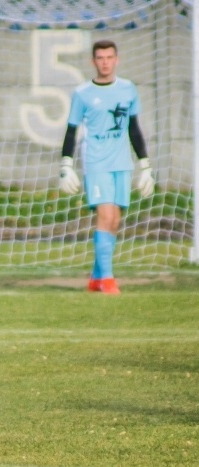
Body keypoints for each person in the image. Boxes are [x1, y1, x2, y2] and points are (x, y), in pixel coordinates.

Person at [59, 40, 154, 294]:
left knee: (114, 222)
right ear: (93, 62)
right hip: (96, 162)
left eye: (109, 57)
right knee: (106, 217)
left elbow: (133, 128)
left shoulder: (128, 89)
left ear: (116, 59)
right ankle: (108, 280)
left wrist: (145, 166)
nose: (105, 62)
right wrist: (66, 165)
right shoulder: (82, 93)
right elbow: (71, 130)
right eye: (100, 58)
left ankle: (95, 278)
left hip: (122, 162)